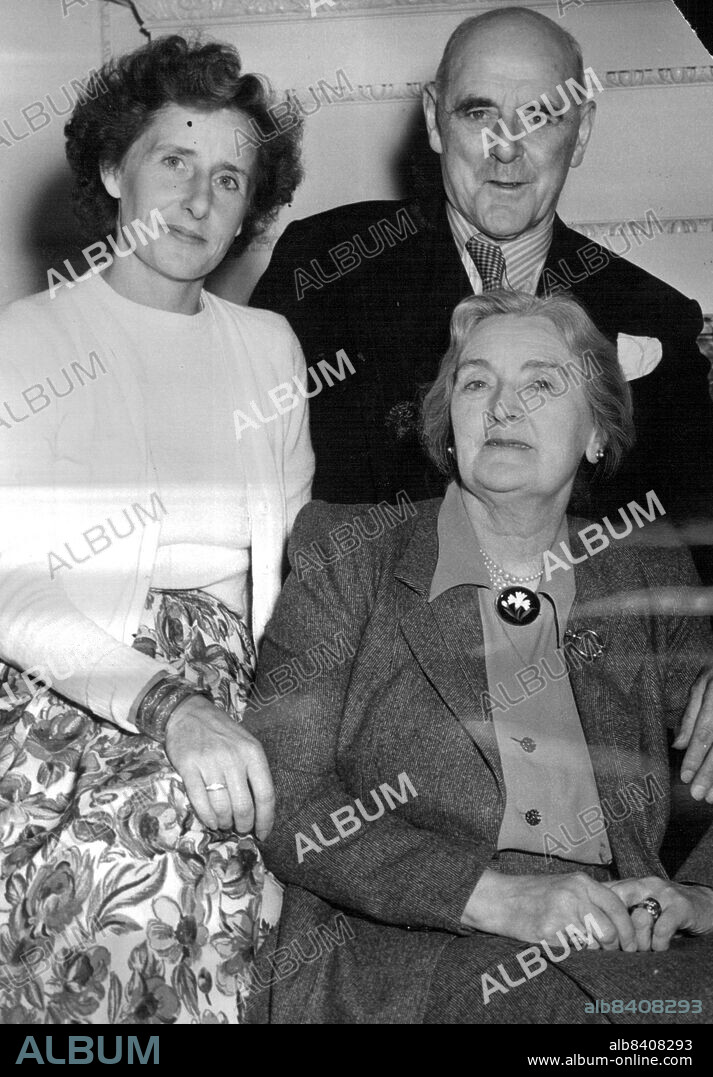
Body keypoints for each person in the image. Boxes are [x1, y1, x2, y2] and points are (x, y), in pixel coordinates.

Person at [243, 291, 713, 1025]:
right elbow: (288, 800)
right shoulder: (350, 553)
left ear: (596, 433)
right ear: (449, 427)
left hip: (619, 938)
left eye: (540, 384)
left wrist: (695, 897)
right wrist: (498, 898)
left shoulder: (644, 573)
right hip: (408, 945)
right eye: (476, 382)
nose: (502, 406)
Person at [0, 35, 312, 1024]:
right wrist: (173, 709)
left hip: (244, 684)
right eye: (173, 161)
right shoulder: (29, 342)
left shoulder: (268, 348)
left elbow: (298, 561)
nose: (199, 197)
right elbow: (12, 587)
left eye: (230, 176)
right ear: (111, 168)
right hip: (76, 683)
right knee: (129, 860)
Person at [250, 5, 713, 584]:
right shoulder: (325, 267)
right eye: (478, 112)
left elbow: (693, 549)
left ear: (581, 133)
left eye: (540, 117)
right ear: (435, 120)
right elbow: (249, 494)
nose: (507, 147)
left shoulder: (652, 314)